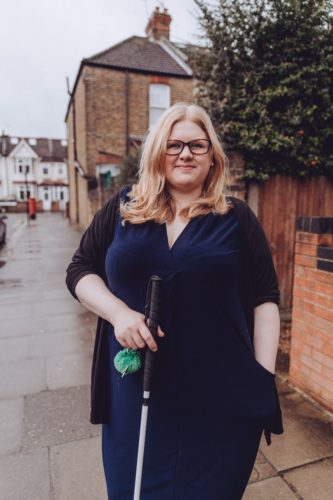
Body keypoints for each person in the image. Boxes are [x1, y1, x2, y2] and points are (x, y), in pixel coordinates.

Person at [66, 102, 284, 499]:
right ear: (157, 152)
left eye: (197, 145)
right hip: (137, 398)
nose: (185, 153)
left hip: (221, 402)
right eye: (174, 144)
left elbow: (265, 299)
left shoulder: (236, 218)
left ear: (212, 157)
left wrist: (262, 380)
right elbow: (80, 271)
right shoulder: (123, 208)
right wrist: (118, 314)